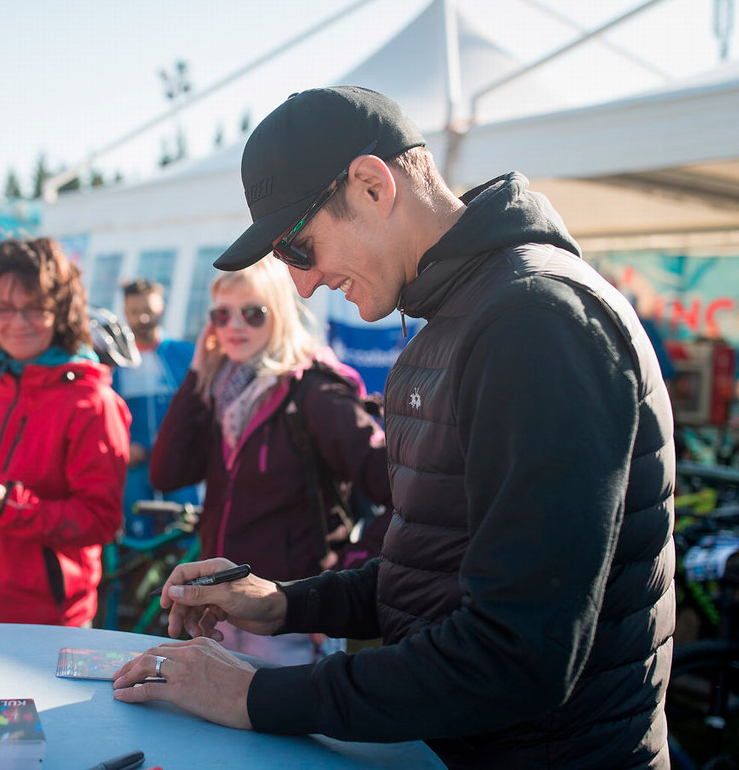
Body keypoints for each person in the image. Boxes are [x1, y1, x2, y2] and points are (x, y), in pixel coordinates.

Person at [113, 87, 675, 769]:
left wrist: (256, 693)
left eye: (298, 246)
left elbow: (516, 652)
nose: (305, 285)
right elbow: (434, 570)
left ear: (373, 185)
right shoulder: (466, 312)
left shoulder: (535, 320)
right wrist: (283, 604)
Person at [148, 255, 391, 665]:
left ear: (279, 315)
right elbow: (167, 472)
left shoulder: (315, 393)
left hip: (290, 619)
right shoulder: (219, 391)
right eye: (222, 315)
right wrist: (196, 374)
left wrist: (336, 585)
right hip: (220, 614)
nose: (235, 326)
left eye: (253, 313)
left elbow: (403, 492)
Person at [0, 236, 130, 627]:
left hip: (44, 622)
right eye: (3, 308)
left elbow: (100, 519)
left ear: (62, 312)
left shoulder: (92, 402)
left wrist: (9, 506)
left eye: (34, 308)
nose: (17, 323)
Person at [111, 279, 198, 538]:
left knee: (188, 530)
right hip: (134, 464)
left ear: (163, 307)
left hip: (179, 462)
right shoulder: (115, 362)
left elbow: (202, 406)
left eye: (149, 309)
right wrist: (122, 446)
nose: (143, 317)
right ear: (125, 313)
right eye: (135, 312)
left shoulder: (185, 353)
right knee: (137, 537)